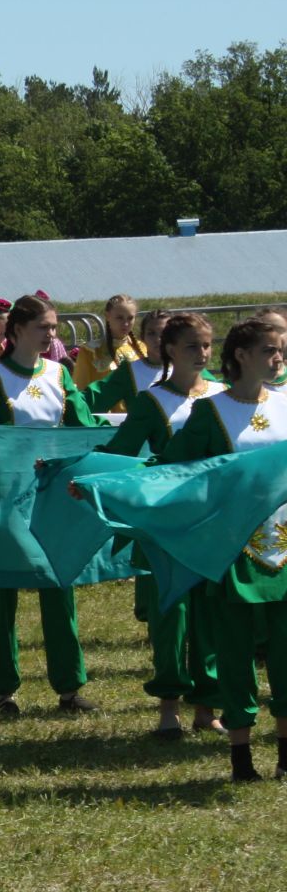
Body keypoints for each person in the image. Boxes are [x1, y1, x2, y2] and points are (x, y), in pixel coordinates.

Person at [0, 294, 100, 714]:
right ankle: (4, 691)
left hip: (51, 499)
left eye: (53, 327)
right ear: (17, 332)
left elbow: (82, 428)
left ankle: (68, 688)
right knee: (2, 594)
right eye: (44, 328)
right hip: (5, 499)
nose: (52, 335)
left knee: (59, 588)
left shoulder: (59, 374)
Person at [146, 319, 285, 781]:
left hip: (284, 548)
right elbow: (170, 471)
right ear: (241, 355)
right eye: (269, 350)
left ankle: (285, 756)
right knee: (235, 652)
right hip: (231, 554)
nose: (278, 358)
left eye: (281, 350)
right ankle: (241, 758)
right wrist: (102, 479)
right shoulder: (210, 412)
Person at [97, 312, 224, 738]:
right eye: (192, 345)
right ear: (170, 350)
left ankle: (208, 705)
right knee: (171, 615)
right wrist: (76, 468)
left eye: (207, 345)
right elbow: (120, 453)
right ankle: (169, 706)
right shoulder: (152, 401)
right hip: (165, 526)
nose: (202, 353)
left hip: (212, 524)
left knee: (211, 615)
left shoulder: (223, 394)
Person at [85, 309, 168, 415]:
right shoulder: (130, 372)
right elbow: (93, 400)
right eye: (151, 333)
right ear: (143, 337)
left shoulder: (188, 371)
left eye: (165, 333)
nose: (158, 339)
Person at [74, 294, 143, 394]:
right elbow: (81, 388)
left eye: (130, 318)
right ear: (107, 316)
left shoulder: (143, 349)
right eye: (119, 318)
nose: (126, 323)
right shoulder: (90, 351)